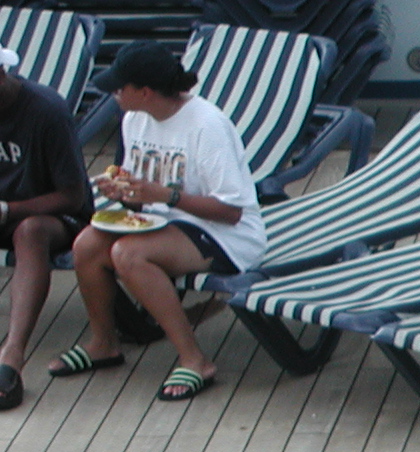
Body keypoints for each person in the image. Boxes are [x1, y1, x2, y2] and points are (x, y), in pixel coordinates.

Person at [49, 42, 265, 403]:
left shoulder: (206, 125)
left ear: (145, 92)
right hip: (160, 223)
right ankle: (103, 343)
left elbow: (232, 211)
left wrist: (165, 195)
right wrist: (123, 190)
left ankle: (195, 360)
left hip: (224, 234)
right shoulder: (135, 119)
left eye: (120, 88)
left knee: (128, 254)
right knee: (87, 244)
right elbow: (142, 192)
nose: (114, 94)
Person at [0, 46, 90, 411]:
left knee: (30, 232)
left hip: (55, 216)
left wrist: (9, 209)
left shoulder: (45, 110)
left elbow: (73, 195)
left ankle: (11, 356)